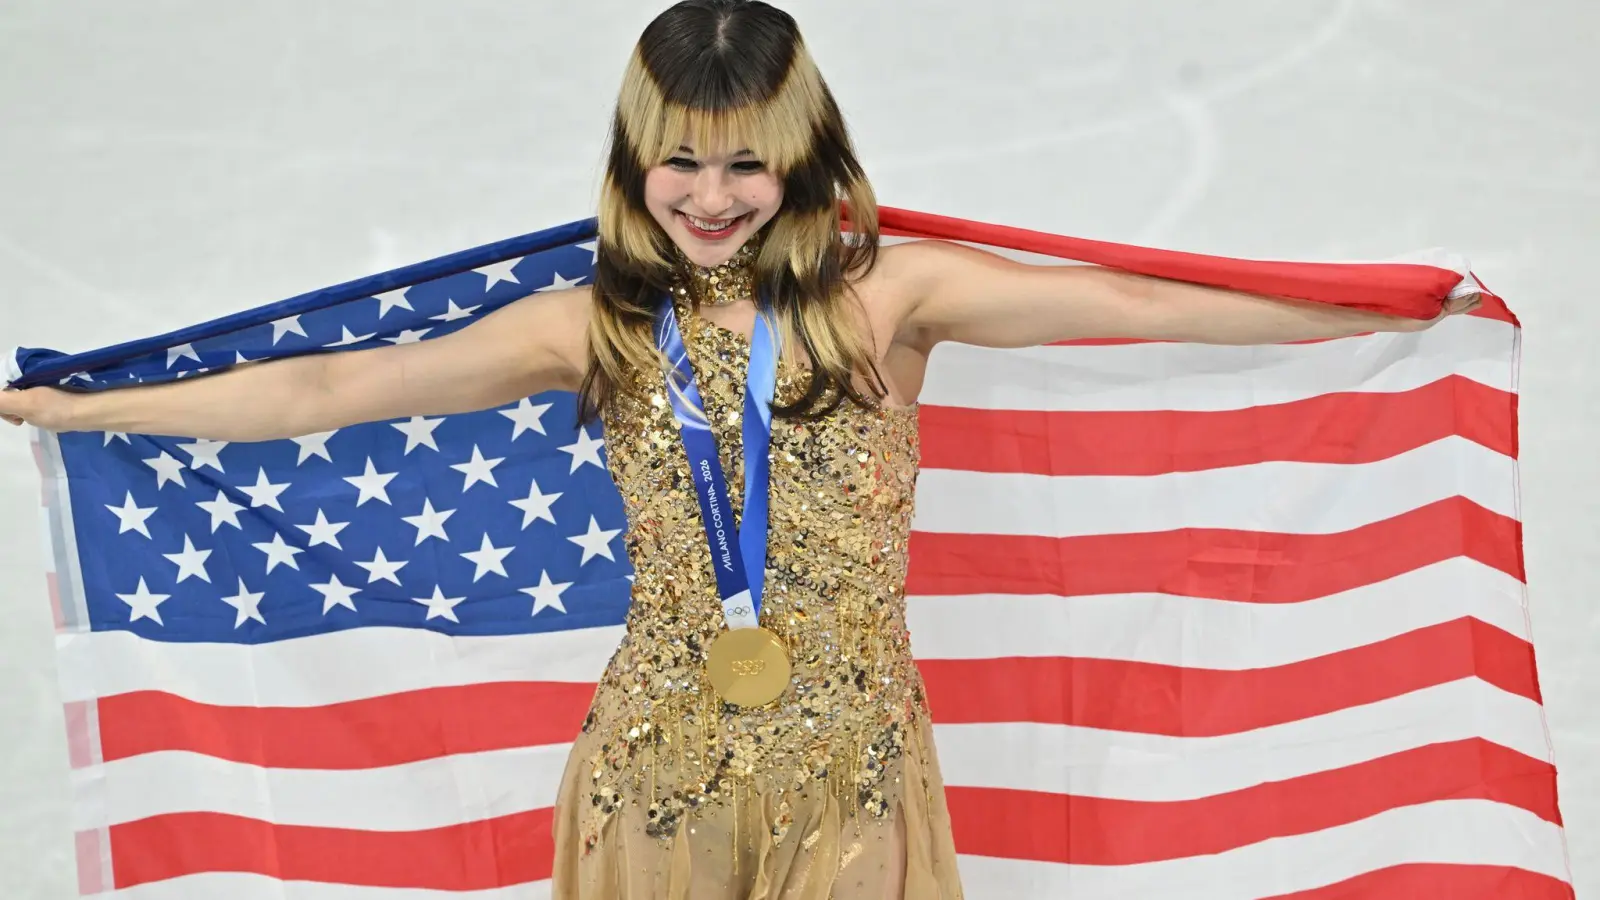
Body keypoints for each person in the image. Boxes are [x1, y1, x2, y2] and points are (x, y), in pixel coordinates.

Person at [0, 1, 1479, 897]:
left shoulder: (890, 300)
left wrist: (1368, 303)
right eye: (683, 158)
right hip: (660, 763)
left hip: (854, 767)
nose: (712, 195)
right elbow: (337, 392)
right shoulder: (593, 326)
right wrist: (82, 408)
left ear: (805, 152)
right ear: (634, 154)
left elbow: (1131, 301)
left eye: (747, 160)